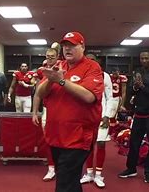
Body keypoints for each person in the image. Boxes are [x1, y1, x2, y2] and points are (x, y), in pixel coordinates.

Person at [36, 32, 104, 192]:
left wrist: (60, 81)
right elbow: (40, 93)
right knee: (69, 179)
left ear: (83, 47)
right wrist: (51, 80)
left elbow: (88, 96)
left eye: (72, 45)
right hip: (57, 135)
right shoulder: (58, 66)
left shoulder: (92, 67)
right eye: (65, 46)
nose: (67, 49)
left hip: (78, 137)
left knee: (64, 182)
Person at [118, 50, 149, 184]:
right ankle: (131, 168)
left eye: (146, 58)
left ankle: (148, 172)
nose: (144, 60)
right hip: (139, 114)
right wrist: (136, 87)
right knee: (134, 143)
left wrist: (142, 86)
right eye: (142, 58)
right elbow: (131, 91)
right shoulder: (137, 72)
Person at [80, 54, 115, 188]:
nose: (91, 62)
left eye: (93, 60)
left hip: (102, 115)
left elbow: (110, 96)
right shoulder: (82, 74)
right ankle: (89, 174)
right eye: (88, 59)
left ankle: (98, 175)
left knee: (100, 144)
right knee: (88, 145)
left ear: (98, 62)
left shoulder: (104, 75)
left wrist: (108, 116)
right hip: (86, 116)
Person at [32, 48, 59, 181]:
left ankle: (62, 166)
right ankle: (51, 168)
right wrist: (34, 112)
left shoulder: (62, 68)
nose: (50, 59)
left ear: (57, 56)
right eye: (48, 56)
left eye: (52, 57)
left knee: (63, 140)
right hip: (47, 109)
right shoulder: (41, 71)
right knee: (48, 140)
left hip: (61, 110)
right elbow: (37, 94)